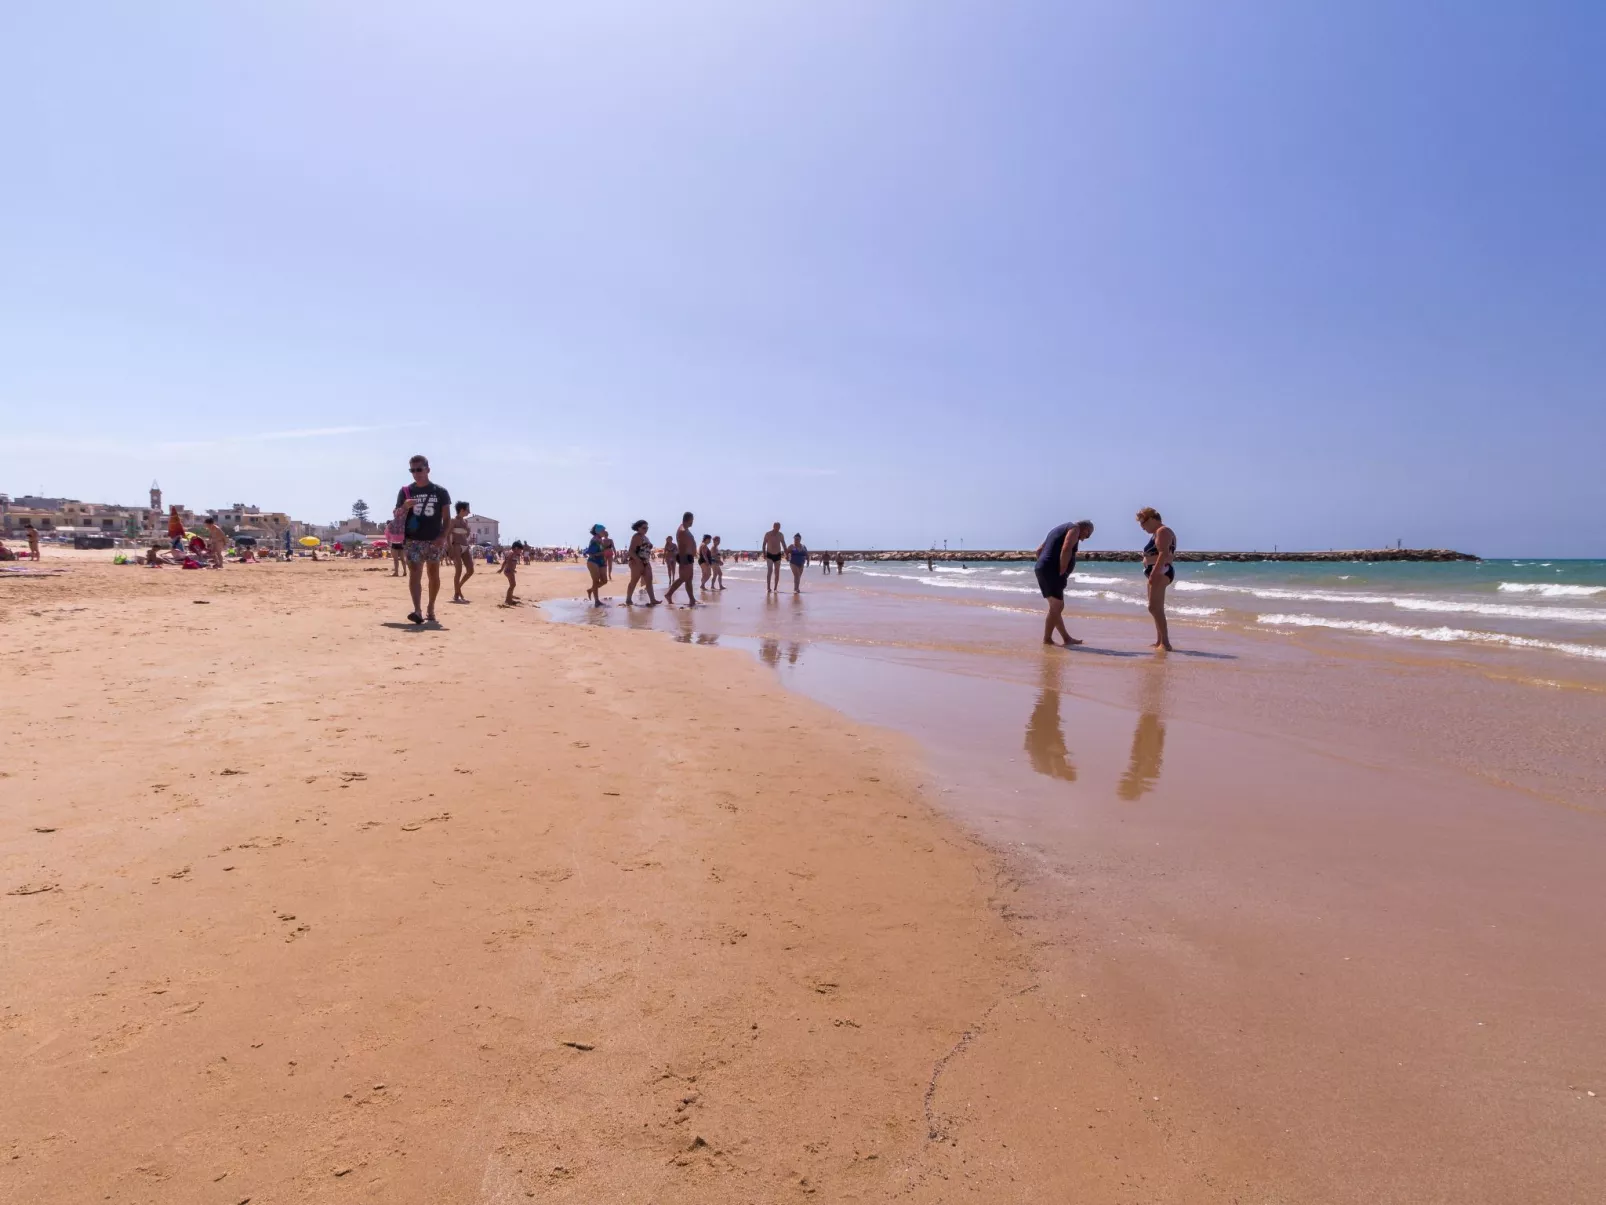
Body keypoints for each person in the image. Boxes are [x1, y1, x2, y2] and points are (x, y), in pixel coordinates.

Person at [394, 454, 452, 624]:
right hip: (413, 539)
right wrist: (405, 506)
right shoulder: (406, 491)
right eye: (412, 470)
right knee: (415, 574)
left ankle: (431, 607)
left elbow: (447, 518)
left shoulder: (440, 492)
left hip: (434, 539)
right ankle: (417, 610)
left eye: (419, 469)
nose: (416, 473)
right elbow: (396, 514)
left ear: (428, 469)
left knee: (433, 574)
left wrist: (443, 536)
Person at [1033, 519, 1094, 647]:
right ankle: (1047, 639)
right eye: (1086, 536)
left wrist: (1044, 564)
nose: (1083, 540)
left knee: (1056, 606)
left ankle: (1066, 638)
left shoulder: (1057, 529)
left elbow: (1039, 550)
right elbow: (1066, 548)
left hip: (1042, 568)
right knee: (1057, 606)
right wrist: (1062, 570)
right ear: (1086, 530)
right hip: (1053, 571)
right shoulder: (1074, 529)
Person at [1137, 507, 1176, 651]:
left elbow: (1163, 553)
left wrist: (1154, 572)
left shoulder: (1162, 531)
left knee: (1153, 607)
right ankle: (1159, 640)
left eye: (1143, 523)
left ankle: (1165, 643)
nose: (1142, 527)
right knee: (1156, 608)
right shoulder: (1156, 533)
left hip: (1160, 571)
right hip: (1155, 570)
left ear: (1152, 519)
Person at [665, 512, 698, 606]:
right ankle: (669, 594)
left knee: (689, 579)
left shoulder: (686, 529)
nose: (693, 522)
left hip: (689, 556)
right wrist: (683, 561)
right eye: (692, 520)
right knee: (683, 578)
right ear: (688, 519)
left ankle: (692, 599)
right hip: (685, 556)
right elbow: (682, 546)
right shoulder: (682, 530)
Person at [625, 520, 659, 606]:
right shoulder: (636, 537)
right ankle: (628, 599)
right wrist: (638, 561)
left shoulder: (645, 537)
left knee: (649, 581)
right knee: (634, 581)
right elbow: (631, 551)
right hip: (636, 561)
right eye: (644, 528)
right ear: (638, 528)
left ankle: (653, 600)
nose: (646, 529)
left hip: (646, 561)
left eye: (647, 528)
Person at [448, 501, 475, 603]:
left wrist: (467, 531)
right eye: (467, 509)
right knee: (458, 571)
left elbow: (466, 536)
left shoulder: (465, 522)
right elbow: (448, 535)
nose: (469, 511)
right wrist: (449, 548)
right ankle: (457, 594)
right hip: (456, 546)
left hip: (465, 546)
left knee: (470, 570)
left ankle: (457, 588)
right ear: (462, 510)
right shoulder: (453, 521)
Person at [584, 525, 609, 606]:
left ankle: (591, 590)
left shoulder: (601, 540)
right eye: (603, 530)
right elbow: (591, 553)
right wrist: (602, 553)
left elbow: (603, 551)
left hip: (601, 562)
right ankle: (597, 601)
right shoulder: (594, 539)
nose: (605, 531)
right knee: (595, 581)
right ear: (598, 531)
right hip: (593, 561)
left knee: (604, 581)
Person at [761, 522, 785, 593]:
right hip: (769, 554)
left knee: (777, 572)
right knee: (770, 570)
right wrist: (764, 553)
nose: (778, 528)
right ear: (773, 526)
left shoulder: (781, 535)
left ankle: (775, 588)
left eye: (779, 527)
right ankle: (768, 588)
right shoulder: (768, 534)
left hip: (778, 554)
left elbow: (783, 544)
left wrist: (787, 553)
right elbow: (764, 544)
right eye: (777, 526)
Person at [502, 540, 524, 605]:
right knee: (513, 585)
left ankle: (510, 597)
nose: (521, 551)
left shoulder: (512, 553)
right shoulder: (512, 553)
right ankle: (508, 600)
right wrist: (511, 569)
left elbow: (505, 562)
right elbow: (508, 561)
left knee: (512, 585)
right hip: (509, 571)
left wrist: (501, 569)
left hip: (508, 571)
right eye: (520, 550)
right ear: (516, 548)